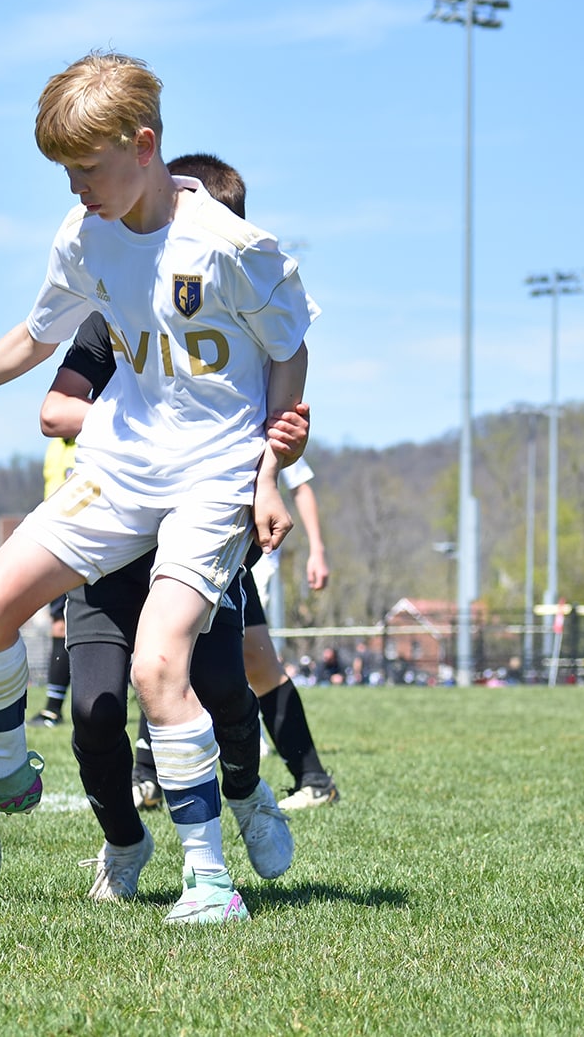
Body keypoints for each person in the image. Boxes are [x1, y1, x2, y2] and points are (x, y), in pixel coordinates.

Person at [0, 51, 314, 924]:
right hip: (121, 466)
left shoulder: (233, 248)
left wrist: (272, 457)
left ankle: (210, 881)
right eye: (66, 173)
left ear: (144, 146)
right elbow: (35, 337)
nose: (77, 189)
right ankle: (8, 774)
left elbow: (290, 348)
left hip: (211, 477)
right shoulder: (84, 236)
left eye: (89, 169)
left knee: (161, 667)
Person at [37, 283, 305, 905]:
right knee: (94, 711)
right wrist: (152, 425)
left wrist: (278, 464)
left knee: (218, 688)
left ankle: (246, 795)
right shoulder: (113, 318)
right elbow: (54, 412)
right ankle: (126, 843)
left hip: (198, 533)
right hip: (108, 538)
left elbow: (280, 430)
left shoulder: (238, 330)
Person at [121, 154, 342, 813]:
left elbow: (290, 455)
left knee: (219, 650)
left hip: (228, 524)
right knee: (180, 643)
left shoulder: (252, 341)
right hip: (175, 514)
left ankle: (298, 775)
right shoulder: (168, 327)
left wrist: (290, 498)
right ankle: (156, 771)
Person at [27, 435, 78, 729]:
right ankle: (52, 709)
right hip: (58, 541)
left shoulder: (93, 429)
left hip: (91, 540)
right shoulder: (55, 446)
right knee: (59, 624)